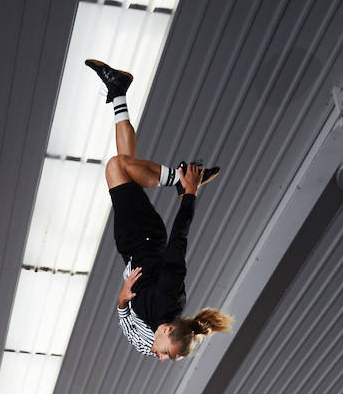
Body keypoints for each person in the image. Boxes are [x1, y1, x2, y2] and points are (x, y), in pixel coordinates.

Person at [85, 58, 233, 360]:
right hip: (144, 236)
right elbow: (180, 239)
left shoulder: (147, 344)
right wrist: (189, 196)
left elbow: (125, 325)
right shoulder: (171, 293)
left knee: (126, 162)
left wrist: (121, 301)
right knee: (116, 167)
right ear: (167, 331)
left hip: (128, 244)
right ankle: (180, 182)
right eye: (168, 354)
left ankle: (119, 91)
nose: (162, 359)